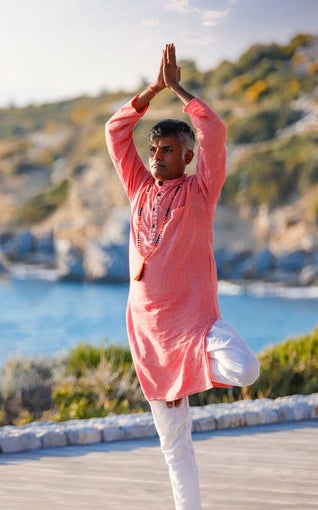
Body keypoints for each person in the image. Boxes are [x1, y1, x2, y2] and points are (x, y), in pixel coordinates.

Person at [105, 43, 260, 510]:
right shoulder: (138, 189)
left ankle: (188, 376)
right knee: (175, 448)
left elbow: (212, 129)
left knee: (245, 368)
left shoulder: (200, 192)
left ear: (187, 157)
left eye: (167, 150)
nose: (155, 156)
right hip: (149, 336)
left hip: (194, 327)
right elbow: (114, 131)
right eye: (153, 149)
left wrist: (176, 89)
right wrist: (151, 89)